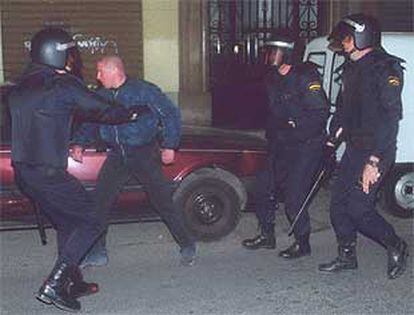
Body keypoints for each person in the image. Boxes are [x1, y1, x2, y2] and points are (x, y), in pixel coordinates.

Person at [8, 28, 146, 312]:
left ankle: (73, 280)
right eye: (68, 53)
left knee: (69, 221)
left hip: (24, 173)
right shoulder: (61, 85)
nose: (72, 59)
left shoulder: (20, 86)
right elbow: (102, 109)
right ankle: (55, 285)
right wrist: (132, 112)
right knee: (93, 220)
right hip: (48, 173)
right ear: (56, 53)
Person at [71, 56, 196, 268]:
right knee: (99, 204)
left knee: (163, 202)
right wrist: (79, 143)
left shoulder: (143, 90)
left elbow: (170, 114)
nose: (98, 76)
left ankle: (187, 245)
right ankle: (98, 252)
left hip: (143, 153)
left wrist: (169, 145)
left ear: (115, 71)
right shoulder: (101, 95)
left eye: (101, 72)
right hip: (118, 155)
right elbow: (92, 120)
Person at [318, 14, 409, 279]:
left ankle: (396, 245)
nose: (343, 43)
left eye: (347, 38)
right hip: (355, 148)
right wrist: (332, 138)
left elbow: (390, 120)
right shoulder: (349, 68)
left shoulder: (386, 69)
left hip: (376, 151)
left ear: (362, 37)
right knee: (338, 205)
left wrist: (375, 162)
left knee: (359, 209)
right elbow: (344, 111)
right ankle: (347, 256)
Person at [242, 31, 330, 258]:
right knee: (263, 188)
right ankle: (267, 235)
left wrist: (294, 125)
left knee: (294, 194)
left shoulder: (306, 77)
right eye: (269, 52)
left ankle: (303, 242)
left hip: (305, 145)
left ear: (289, 54)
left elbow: (320, 113)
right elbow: (273, 112)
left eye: (275, 52)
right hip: (279, 142)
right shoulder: (272, 78)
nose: (270, 56)